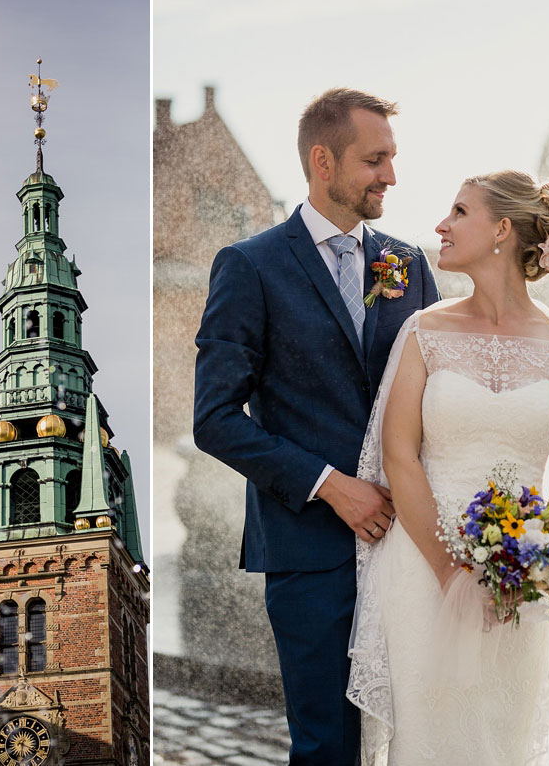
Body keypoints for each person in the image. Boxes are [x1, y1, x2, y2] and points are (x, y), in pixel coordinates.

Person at [194, 87, 440, 765]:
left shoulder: (409, 265)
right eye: (376, 159)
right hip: (309, 551)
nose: (391, 175)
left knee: (418, 733)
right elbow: (214, 420)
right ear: (324, 161)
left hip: (409, 545)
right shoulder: (250, 266)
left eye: (392, 158)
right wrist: (331, 485)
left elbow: (439, 396)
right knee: (328, 744)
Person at [348, 170, 549, 764]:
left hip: (517, 584)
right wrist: (452, 575)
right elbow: (399, 457)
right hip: (421, 568)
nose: (441, 225)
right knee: (430, 738)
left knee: (501, 738)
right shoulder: (423, 331)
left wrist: (533, 568)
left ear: (503, 231)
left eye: (460, 212)